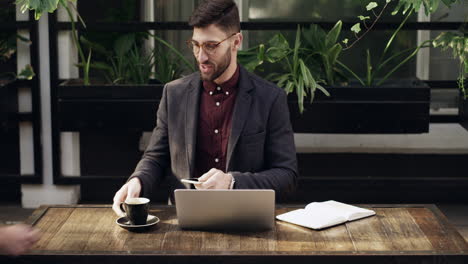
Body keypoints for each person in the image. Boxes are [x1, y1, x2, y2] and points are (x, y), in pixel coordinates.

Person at [113, 0, 297, 216]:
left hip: (246, 218)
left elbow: (287, 176)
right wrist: (138, 180)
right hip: (183, 220)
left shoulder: (270, 98)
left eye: (211, 45)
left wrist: (232, 181)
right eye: (195, 44)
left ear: (236, 41)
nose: (201, 56)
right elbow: (156, 157)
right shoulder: (174, 94)